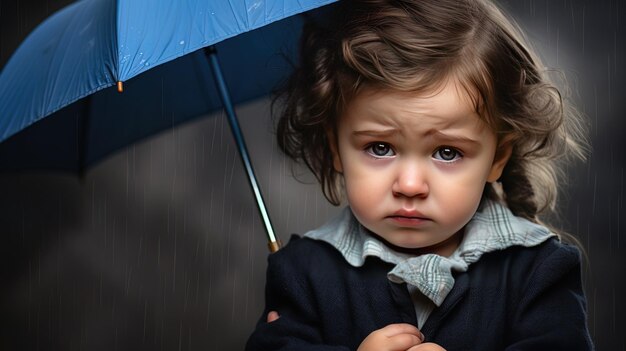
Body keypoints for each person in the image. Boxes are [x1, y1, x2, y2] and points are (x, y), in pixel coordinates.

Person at [246, 0, 594, 349]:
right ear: (336, 148)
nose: (410, 186)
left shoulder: (539, 270)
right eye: (380, 148)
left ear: (497, 158)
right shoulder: (302, 273)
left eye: (447, 152)